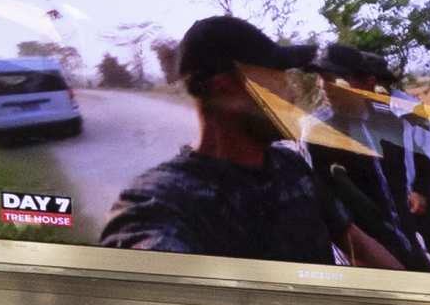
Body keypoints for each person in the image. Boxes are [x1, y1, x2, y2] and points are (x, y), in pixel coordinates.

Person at [99, 16, 401, 270]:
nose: (292, 95)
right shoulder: (160, 202)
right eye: (279, 79)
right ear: (225, 88)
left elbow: (356, 243)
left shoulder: (291, 168)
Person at [311, 39, 430, 272]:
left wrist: (420, 189)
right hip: (369, 240)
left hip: (410, 197)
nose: (324, 86)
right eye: (323, 78)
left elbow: (425, 152)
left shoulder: (402, 111)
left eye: (335, 78)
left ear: (369, 82)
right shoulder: (319, 131)